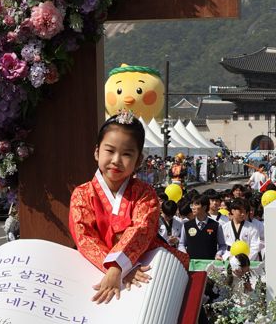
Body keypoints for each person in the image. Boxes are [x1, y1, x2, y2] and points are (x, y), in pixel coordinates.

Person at [69, 111, 187, 305]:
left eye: (126, 154)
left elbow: (141, 229)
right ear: (97, 152)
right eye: (110, 151)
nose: (116, 160)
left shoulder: (145, 193)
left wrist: (119, 266)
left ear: (138, 160)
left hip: (144, 264)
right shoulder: (82, 194)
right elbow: (84, 237)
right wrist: (114, 268)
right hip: (100, 268)